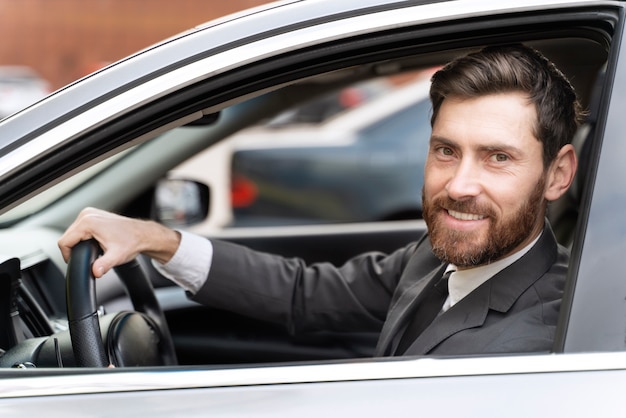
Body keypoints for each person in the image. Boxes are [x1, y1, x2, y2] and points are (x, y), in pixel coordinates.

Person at [58, 44, 582, 357]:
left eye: (498, 158)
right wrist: (157, 239)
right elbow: (304, 295)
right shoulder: (435, 257)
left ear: (557, 174)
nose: (460, 185)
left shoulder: (548, 337)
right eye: (446, 150)